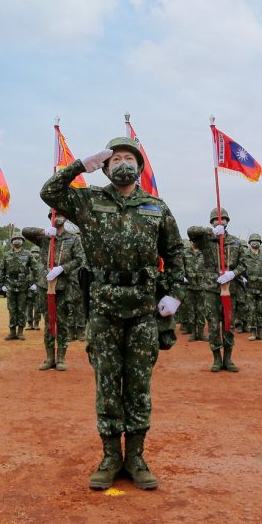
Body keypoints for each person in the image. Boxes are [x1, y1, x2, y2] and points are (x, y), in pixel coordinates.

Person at [40, 137, 184, 491]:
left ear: (139, 167)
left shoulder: (156, 206)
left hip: (143, 307)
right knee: (106, 383)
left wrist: (175, 295)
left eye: (129, 158)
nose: (123, 162)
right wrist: (79, 167)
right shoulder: (88, 201)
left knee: (138, 385)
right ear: (104, 166)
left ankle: (135, 457)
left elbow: (175, 252)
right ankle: (109, 457)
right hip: (104, 306)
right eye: (115, 158)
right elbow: (48, 192)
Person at [24, 210, 86, 370]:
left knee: (62, 322)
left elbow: (79, 259)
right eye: (54, 215)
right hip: (46, 286)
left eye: (60, 215)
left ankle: (61, 358)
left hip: (64, 286)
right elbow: (25, 231)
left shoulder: (73, 238)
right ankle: (49, 357)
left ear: (65, 217)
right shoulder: (45, 238)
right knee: (49, 321)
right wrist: (44, 232)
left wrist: (62, 269)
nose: (57, 218)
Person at [188, 208, 245, 373]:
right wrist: (211, 232)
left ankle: (228, 358)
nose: (219, 222)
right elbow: (191, 231)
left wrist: (232, 273)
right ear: (211, 222)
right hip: (211, 288)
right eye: (216, 220)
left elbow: (243, 264)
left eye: (223, 219)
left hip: (230, 288)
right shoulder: (205, 240)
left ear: (228, 221)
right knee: (213, 324)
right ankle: (216, 358)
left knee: (228, 324)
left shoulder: (235, 241)